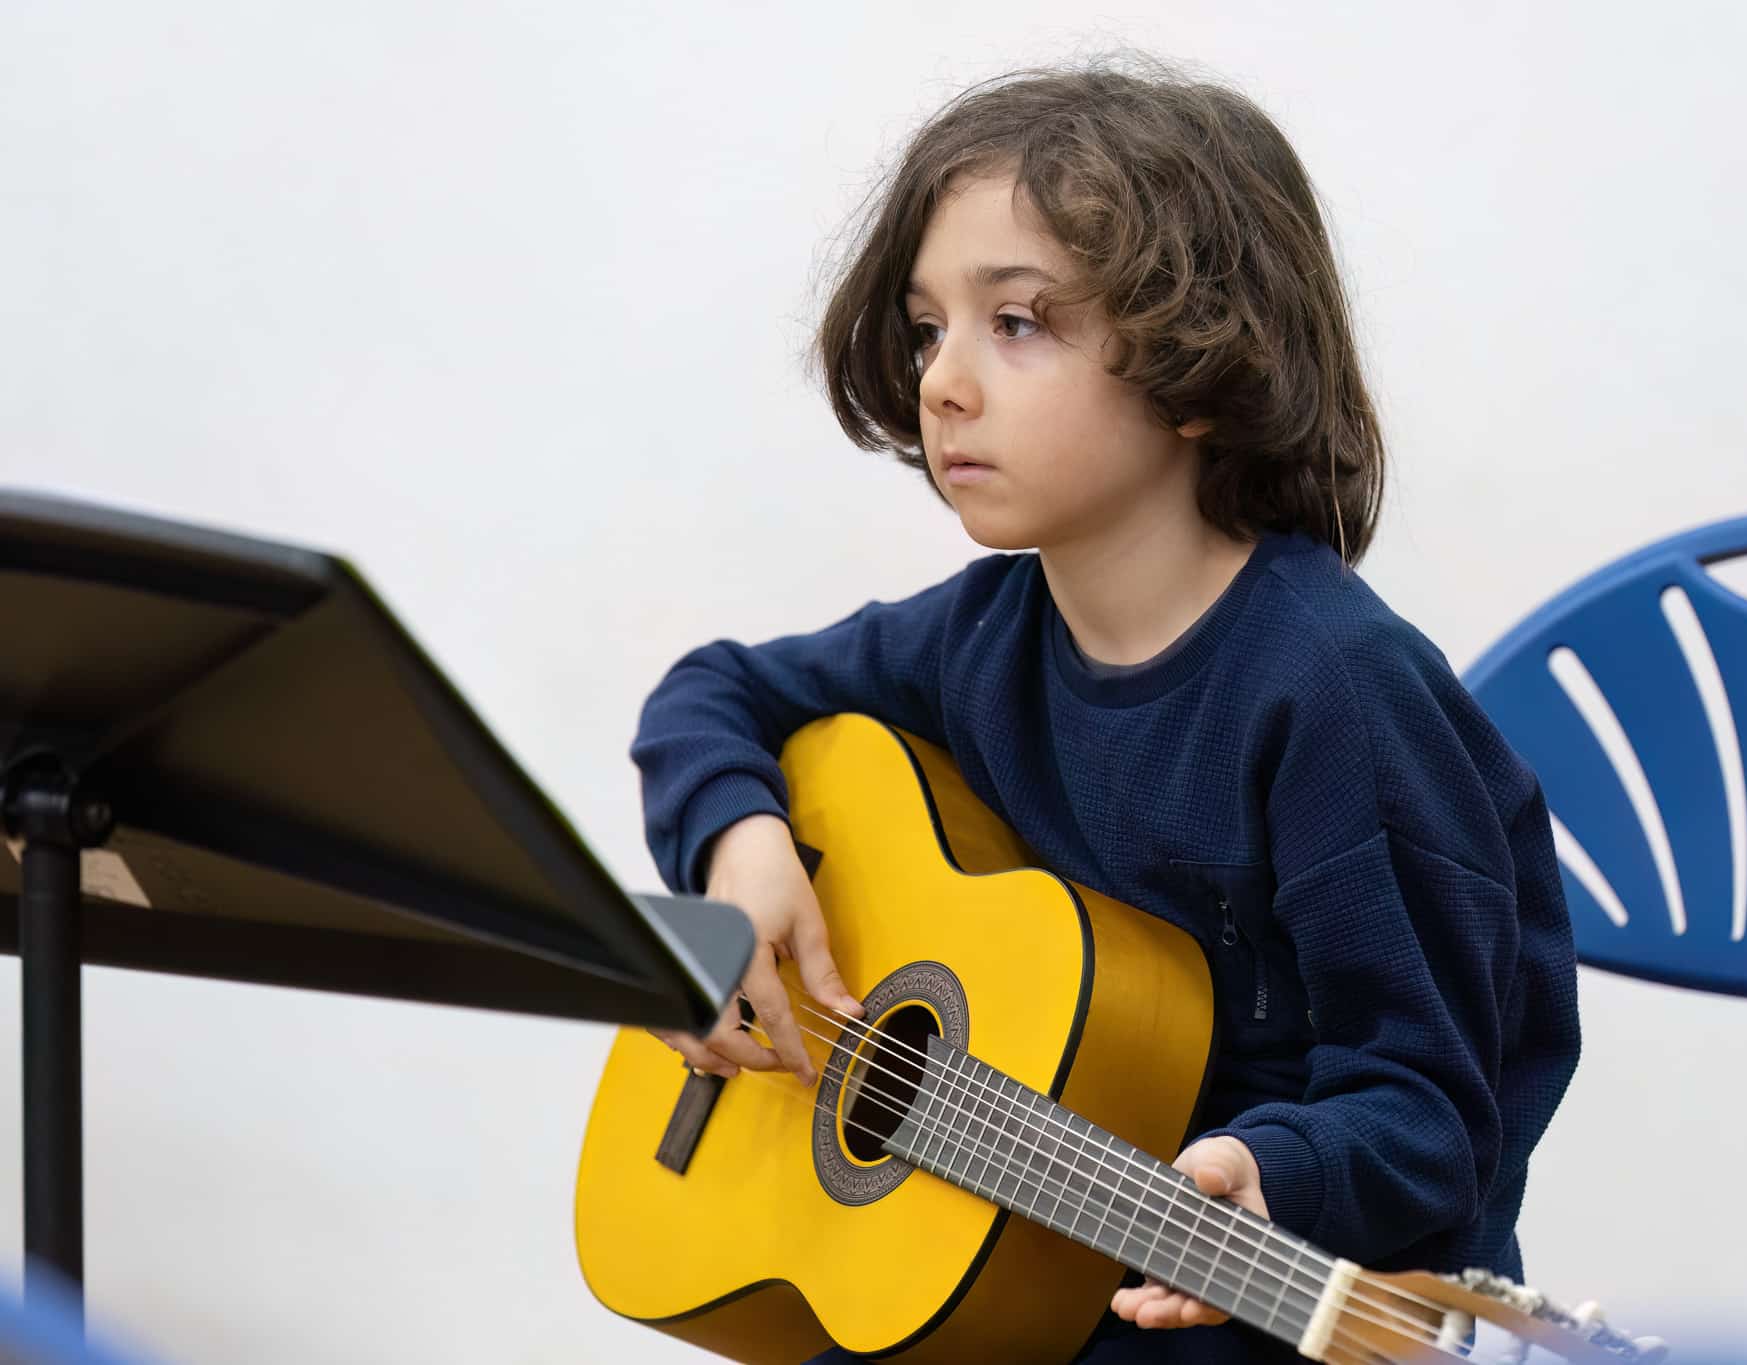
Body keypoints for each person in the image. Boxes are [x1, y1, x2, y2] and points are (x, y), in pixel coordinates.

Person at [631, 54, 1581, 1364]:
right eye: (928, 327)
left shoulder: (1335, 696)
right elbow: (714, 692)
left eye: (1018, 322)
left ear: (1202, 365)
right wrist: (740, 852)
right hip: (1004, 1289)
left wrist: (1274, 1167)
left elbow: (1431, 1112)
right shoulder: (982, 635)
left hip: (1262, 1320)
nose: (943, 381)